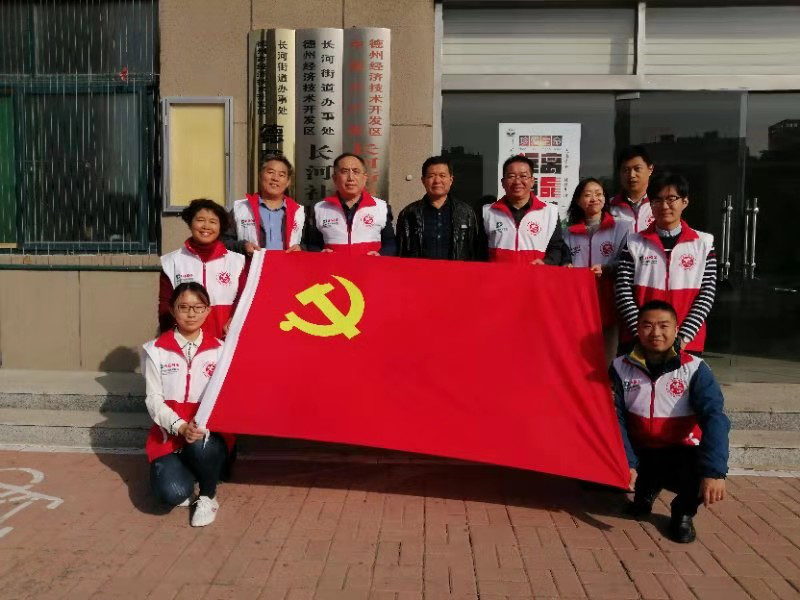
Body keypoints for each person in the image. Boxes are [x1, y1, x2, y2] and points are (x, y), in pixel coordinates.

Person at [610, 300, 729, 543]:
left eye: (664, 326)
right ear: (638, 328)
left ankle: (683, 511)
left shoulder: (695, 369)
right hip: (640, 448)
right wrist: (626, 462)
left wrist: (714, 472)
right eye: (647, 325)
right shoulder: (619, 367)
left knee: (704, 468)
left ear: (676, 330)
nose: (655, 333)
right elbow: (615, 418)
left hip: (679, 451)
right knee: (600, 475)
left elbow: (715, 418)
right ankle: (645, 490)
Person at [144, 282, 234, 527]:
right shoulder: (155, 350)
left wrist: (201, 426)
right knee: (172, 493)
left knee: (200, 447)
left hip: (207, 437)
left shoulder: (221, 351)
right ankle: (194, 472)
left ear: (208, 310)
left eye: (198, 307)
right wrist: (180, 427)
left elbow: (226, 397)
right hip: (170, 439)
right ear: (172, 310)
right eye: (183, 307)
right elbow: (153, 400)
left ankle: (207, 496)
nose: (191, 314)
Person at [616, 172, 716, 354]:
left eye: (671, 199)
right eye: (657, 200)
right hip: (637, 341)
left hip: (686, 344)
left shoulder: (704, 244)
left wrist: (682, 337)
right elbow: (623, 292)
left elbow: (706, 295)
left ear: (684, 201)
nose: (664, 206)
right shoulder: (633, 243)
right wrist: (643, 334)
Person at [159, 199, 246, 339]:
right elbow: (165, 304)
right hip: (186, 341)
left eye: (213, 222)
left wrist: (234, 321)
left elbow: (244, 298)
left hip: (227, 340)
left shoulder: (237, 261)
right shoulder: (172, 261)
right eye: (200, 220)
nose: (206, 226)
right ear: (190, 223)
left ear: (220, 227)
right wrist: (170, 337)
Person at [564, 178, 628, 362]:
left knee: (608, 357)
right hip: (578, 303)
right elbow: (563, 261)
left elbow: (627, 261)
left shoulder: (622, 227)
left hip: (610, 300)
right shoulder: (568, 233)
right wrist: (565, 267)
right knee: (579, 357)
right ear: (578, 201)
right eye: (587, 194)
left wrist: (607, 268)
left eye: (599, 194)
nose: (594, 198)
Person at [483, 155, 570, 265]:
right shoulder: (488, 212)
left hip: (535, 275)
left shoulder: (550, 212)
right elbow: (480, 251)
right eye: (511, 176)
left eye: (523, 176)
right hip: (499, 275)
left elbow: (556, 248)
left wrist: (546, 263)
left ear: (532, 181)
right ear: (503, 182)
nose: (517, 181)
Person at [305, 153, 396, 255]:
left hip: (370, 265)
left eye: (356, 171)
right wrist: (320, 253)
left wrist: (381, 255)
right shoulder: (320, 208)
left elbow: (390, 243)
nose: (350, 178)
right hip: (333, 265)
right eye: (344, 172)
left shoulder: (381, 207)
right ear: (335, 178)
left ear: (365, 178)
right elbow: (312, 244)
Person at [396, 156, 481, 260]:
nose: (437, 180)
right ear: (423, 180)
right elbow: (401, 252)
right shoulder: (409, 214)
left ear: (451, 180)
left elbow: (474, 251)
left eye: (442, 175)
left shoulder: (466, 213)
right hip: (419, 270)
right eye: (431, 176)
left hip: (456, 270)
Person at [222, 155, 304, 256]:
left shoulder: (299, 212)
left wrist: (301, 248)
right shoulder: (241, 208)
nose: (275, 178)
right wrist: (242, 246)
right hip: (251, 265)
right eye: (270, 172)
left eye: (281, 175)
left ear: (288, 182)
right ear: (260, 176)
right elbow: (223, 240)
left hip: (287, 265)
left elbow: (312, 244)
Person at [610, 145, 655, 233]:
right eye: (626, 170)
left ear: (650, 169)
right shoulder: (608, 207)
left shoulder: (662, 205)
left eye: (637, 169)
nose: (632, 175)